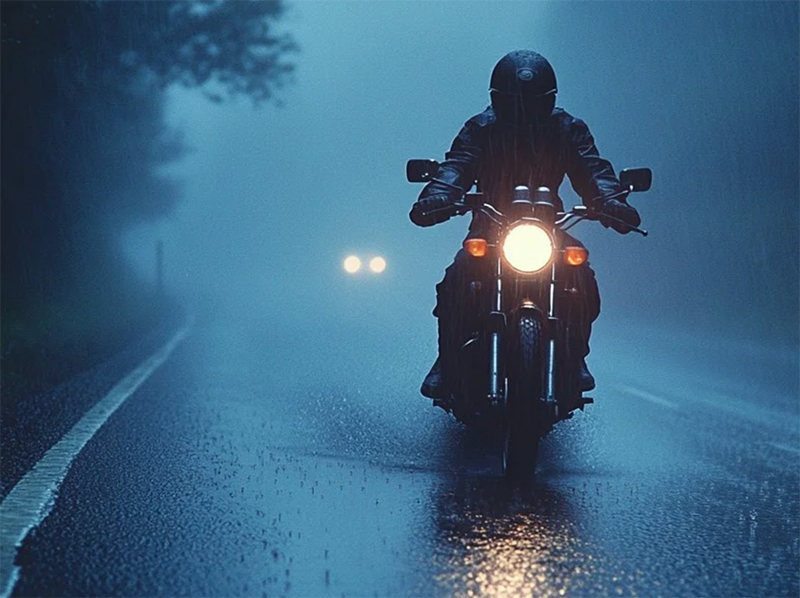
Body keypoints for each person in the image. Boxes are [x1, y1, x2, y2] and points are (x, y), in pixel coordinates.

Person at [409, 49, 641, 400]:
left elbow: (592, 169)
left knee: (582, 276)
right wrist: (439, 195)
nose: (524, 109)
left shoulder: (567, 129)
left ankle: (575, 357)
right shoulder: (481, 129)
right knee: (457, 279)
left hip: (549, 227)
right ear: (498, 99)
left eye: (532, 102)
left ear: (549, 99)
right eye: (516, 102)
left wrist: (612, 201)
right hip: (490, 225)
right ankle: (446, 362)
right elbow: (456, 166)